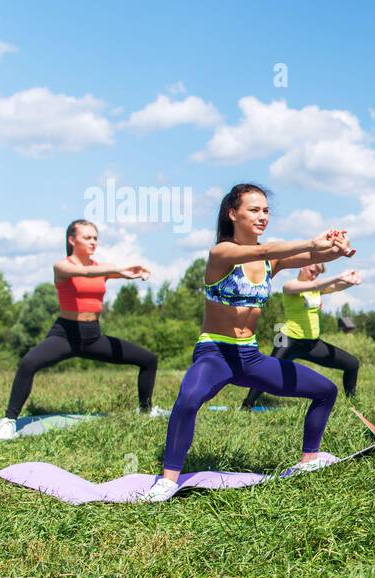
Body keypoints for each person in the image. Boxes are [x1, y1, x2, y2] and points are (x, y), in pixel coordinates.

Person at [140, 184, 355, 502]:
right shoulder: (222, 253)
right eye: (254, 210)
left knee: (326, 390)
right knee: (188, 400)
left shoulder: (271, 262)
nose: (262, 216)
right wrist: (313, 242)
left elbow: (311, 255)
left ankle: (309, 459)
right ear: (232, 213)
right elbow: (267, 250)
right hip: (215, 352)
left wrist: (337, 248)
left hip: (249, 357)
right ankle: (168, 479)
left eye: (266, 210)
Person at [0, 219, 160, 439]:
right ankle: (9, 420)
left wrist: (137, 271)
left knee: (148, 359)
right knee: (28, 363)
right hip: (65, 335)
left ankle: (145, 409)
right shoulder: (62, 266)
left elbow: (110, 272)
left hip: (92, 336)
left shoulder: (100, 268)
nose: (93, 242)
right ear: (72, 240)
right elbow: (85, 273)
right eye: (87, 237)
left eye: (95, 238)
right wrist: (120, 269)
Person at [241, 263, 362, 410]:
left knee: (352, 364)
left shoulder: (316, 289)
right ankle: (247, 405)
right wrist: (340, 276)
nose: (314, 276)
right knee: (268, 373)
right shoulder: (290, 286)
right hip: (287, 340)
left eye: (317, 274)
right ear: (302, 266)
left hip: (312, 344)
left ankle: (353, 405)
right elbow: (316, 285)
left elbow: (335, 287)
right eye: (312, 271)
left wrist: (351, 281)